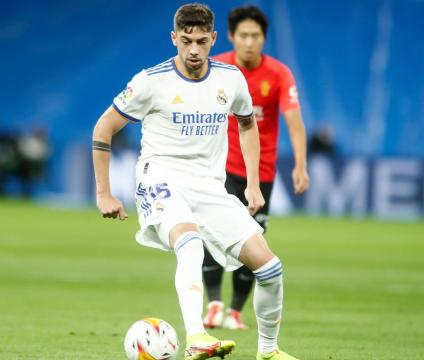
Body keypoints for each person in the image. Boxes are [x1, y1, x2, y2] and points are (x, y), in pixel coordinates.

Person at [92, 4, 299, 360]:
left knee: (270, 267)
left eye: (202, 42)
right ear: (174, 38)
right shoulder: (150, 82)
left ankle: (268, 351)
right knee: (190, 243)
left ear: (214, 39)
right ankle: (196, 336)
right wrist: (104, 193)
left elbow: (247, 125)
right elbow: (104, 127)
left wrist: (252, 183)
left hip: (208, 187)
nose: (193, 50)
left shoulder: (230, 79)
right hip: (160, 177)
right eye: (186, 41)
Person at [202, 5, 310, 331]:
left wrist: (301, 165)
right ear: (232, 37)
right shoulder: (216, 66)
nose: (249, 42)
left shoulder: (279, 74)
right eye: (243, 35)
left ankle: (235, 312)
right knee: (211, 236)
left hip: (260, 173)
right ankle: (213, 307)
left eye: (256, 36)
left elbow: (295, 123)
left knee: (253, 240)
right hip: (218, 169)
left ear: (264, 39)